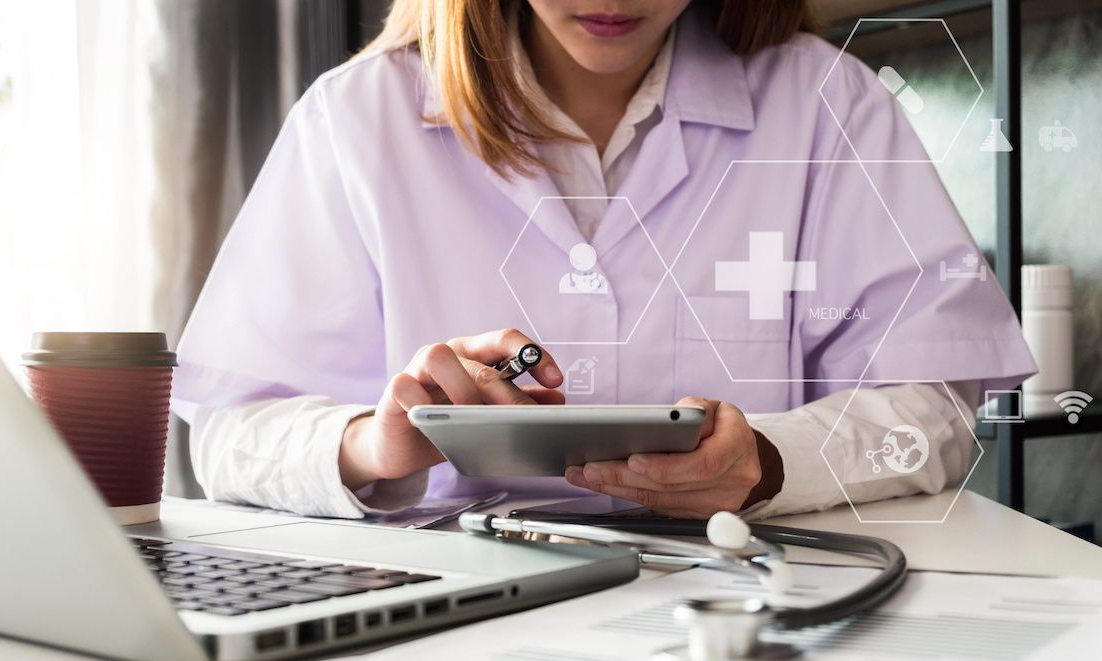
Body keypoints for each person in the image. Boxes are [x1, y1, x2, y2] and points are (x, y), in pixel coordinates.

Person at [171, 0, 1034, 521]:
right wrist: (371, 444)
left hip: (748, 616)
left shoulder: (826, 104)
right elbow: (229, 434)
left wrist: (766, 463)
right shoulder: (355, 121)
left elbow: (936, 412)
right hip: (446, 622)